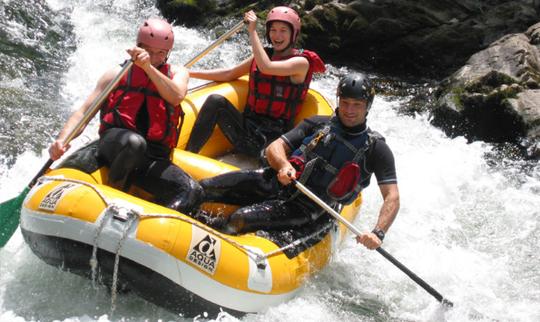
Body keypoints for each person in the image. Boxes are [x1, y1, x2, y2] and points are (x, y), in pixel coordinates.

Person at [197, 72, 400, 250]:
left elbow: (392, 196)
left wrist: (378, 232)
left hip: (307, 208)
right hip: (276, 183)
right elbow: (274, 148)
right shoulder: (318, 123)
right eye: (345, 103)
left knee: (241, 218)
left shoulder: (376, 149)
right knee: (203, 188)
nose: (349, 110)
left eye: (357, 105)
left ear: (367, 107)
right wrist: (284, 165)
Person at [49, 18, 204, 213]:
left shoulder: (178, 73)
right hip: (117, 145)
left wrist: (148, 68)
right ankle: (111, 199)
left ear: (168, 53)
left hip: (153, 157)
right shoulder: (115, 73)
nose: (154, 58)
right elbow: (83, 112)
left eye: (160, 53)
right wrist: (62, 140)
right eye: (148, 51)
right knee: (134, 143)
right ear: (138, 47)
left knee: (192, 191)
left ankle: (151, 229)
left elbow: (176, 96)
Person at [185, 6, 326, 159]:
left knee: (268, 162)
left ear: (294, 34)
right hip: (248, 132)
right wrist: (189, 73)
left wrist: (252, 31)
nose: (277, 35)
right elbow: (230, 73)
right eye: (273, 30)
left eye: (283, 30)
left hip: (274, 139)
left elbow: (267, 67)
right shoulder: (262, 56)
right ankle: (189, 154)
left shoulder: (300, 63)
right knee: (215, 101)